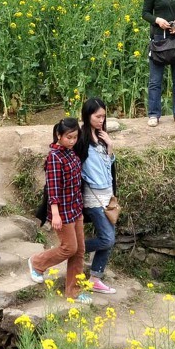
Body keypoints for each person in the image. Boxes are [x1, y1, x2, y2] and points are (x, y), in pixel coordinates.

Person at [29, 118, 90, 302]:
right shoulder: (54, 157)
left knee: (79, 251)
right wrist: (54, 213)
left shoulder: (71, 154)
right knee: (69, 248)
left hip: (75, 208)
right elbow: (53, 187)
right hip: (62, 211)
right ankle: (37, 262)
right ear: (59, 135)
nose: (72, 141)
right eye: (69, 137)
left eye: (75, 137)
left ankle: (74, 291)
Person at [77, 98, 118, 295]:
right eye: (97, 116)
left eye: (103, 116)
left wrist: (110, 146)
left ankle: (95, 277)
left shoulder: (102, 137)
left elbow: (108, 168)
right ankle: (75, 249)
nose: (101, 120)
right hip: (93, 197)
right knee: (107, 239)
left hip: (107, 195)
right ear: (87, 116)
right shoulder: (82, 139)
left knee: (109, 238)